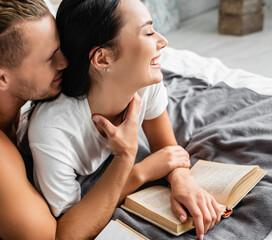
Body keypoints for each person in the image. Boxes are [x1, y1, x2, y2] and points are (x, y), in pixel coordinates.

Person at [0, 0, 142, 239]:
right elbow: (52, 237)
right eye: (49, 58)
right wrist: (126, 159)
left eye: (59, 47)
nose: (65, 62)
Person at [28, 0, 222, 239]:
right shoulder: (52, 131)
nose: (163, 41)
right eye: (148, 32)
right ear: (102, 59)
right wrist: (138, 170)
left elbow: (167, 149)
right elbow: (70, 229)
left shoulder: (144, 83)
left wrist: (182, 179)